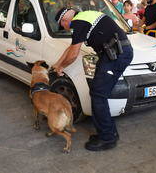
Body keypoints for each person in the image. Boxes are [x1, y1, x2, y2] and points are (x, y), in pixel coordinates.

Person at [53, 8, 133, 151]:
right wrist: (58, 65)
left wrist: (62, 67)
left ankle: (107, 138)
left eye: (63, 26)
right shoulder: (84, 17)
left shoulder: (78, 22)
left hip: (116, 54)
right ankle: (107, 132)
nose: (65, 28)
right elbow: (71, 48)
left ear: (65, 21)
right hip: (110, 54)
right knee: (97, 93)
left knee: (98, 94)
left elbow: (73, 54)